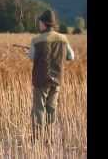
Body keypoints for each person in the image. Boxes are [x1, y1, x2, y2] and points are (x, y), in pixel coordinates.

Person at [27, 9, 75, 144]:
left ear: (44, 23)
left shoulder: (36, 40)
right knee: (51, 108)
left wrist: (29, 52)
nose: (39, 24)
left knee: (39, 109)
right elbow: (71, 57)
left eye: (40, 22)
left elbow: (31, 57)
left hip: (40, 80)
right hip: (57, 80)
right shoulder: (63, 39)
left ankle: (37, 139)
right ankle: (49, 138)